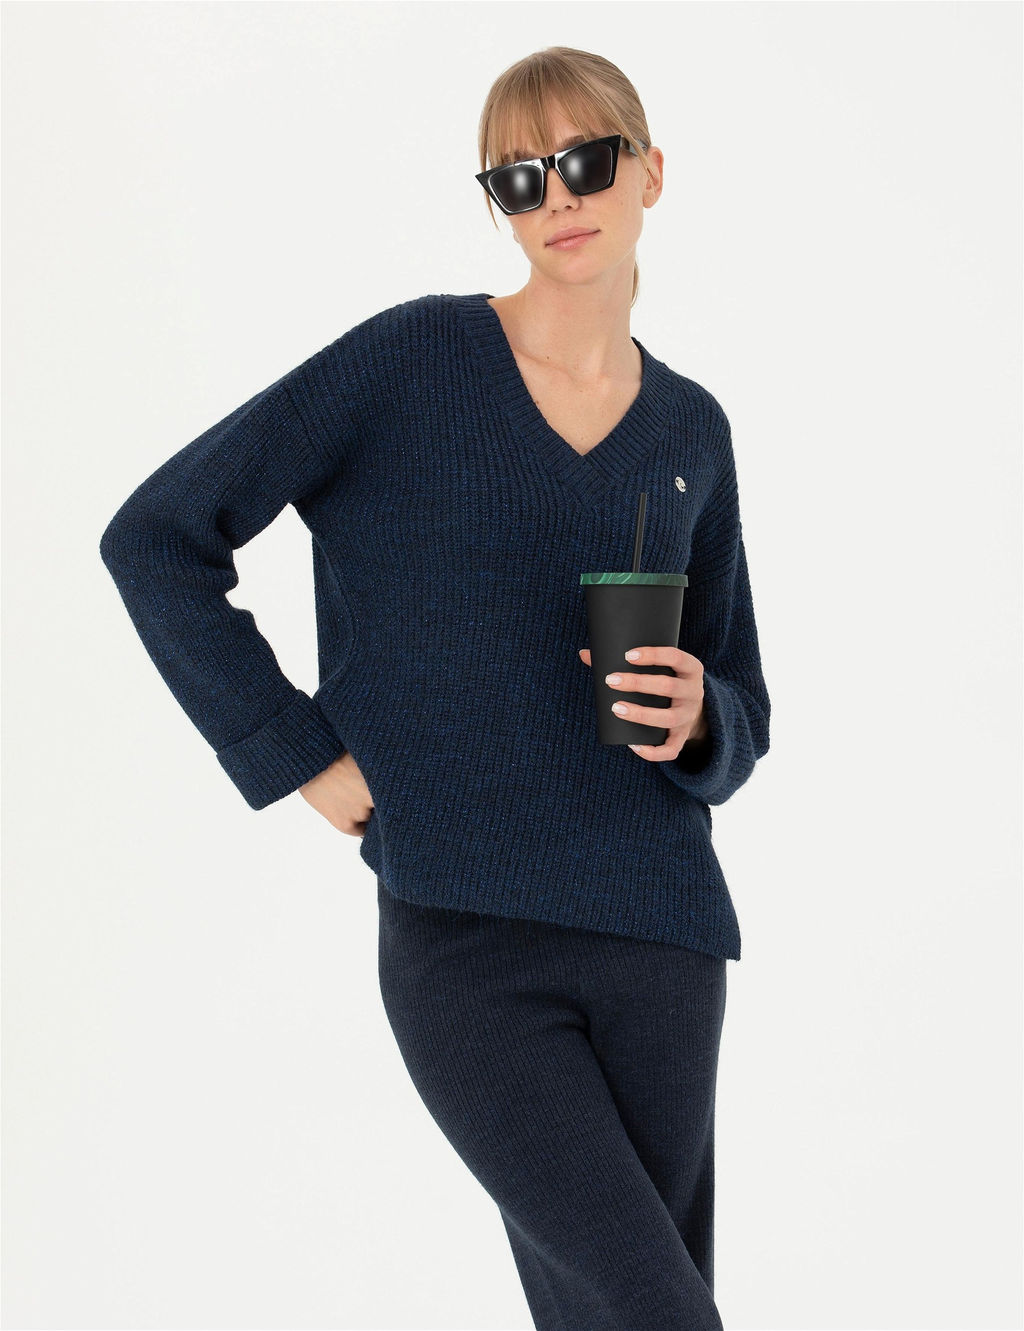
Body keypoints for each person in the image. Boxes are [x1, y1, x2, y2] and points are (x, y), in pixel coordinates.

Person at [100, 44, 770, 1331]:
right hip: (466, 940)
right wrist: (290, 747)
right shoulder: (410, 362)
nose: (556, 196)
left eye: (585, 161)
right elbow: (157, 537)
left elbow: (740, 695)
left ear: (649, 173)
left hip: (662, 937)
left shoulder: (691, 428)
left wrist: (704, 719)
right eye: (519, 177)